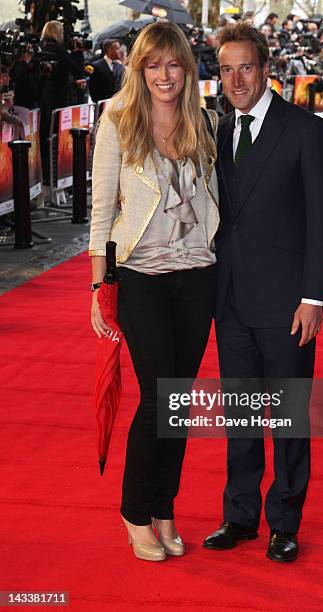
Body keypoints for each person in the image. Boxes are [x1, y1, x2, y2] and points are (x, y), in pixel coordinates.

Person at [203, 22, 323, 562]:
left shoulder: (306, 131)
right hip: (229, 299)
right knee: (240, 415)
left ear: (266, 69)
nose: (236, 79)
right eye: (226, 69)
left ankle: (285, 522)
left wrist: (314, 298)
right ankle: (239, 515)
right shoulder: (214, 131)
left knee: (285, 417)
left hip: (287, 304)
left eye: (245, 67)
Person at [89, 22, 219, 562]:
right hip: (141, 275)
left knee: (179, 402)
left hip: (199, 274)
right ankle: (134, 511)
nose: (164, 76)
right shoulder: (117, 119)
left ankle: (164, 506)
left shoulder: (203, 120)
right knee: (157, 397)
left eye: (173, 65)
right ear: (139, 69)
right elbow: (100, 211)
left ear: (186, 69)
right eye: (153, 65)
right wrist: (99, 285)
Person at [38, 20, 84, 187]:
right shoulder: (59, 50)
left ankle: (45, 176)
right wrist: (78, 51)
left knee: (44, 139)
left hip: (42, 102)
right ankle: (55, 177)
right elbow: (78, 69)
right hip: (57, 102)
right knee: (56, 140)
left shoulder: (41, 48)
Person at [88, 39, 124, 103]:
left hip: (118, 105)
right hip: (103, 107)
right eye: (117, 48)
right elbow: (92, 89)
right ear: (109, 50)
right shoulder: (96, 66)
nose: (120, 51)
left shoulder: (119, 66)